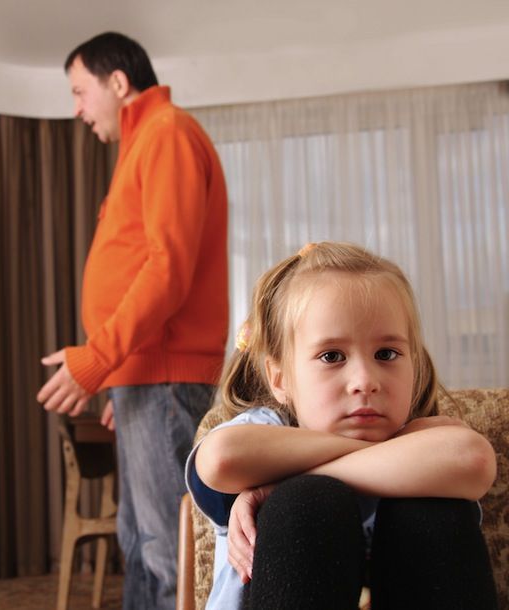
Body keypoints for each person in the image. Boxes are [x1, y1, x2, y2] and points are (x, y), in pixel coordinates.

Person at [187, 241, 499, 609]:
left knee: (434, 509)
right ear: (280, 379)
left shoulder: (426, 443)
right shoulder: (266, 431)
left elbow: (474, 460)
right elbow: (221, 459)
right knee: (309, 501)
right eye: (331, 356)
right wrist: (379, 454)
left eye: (387, 354)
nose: (365, 380)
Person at [36, 32, 229, 609]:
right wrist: (122, 383)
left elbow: (167, 269)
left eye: (79, 91)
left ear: (117, 83)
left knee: (171, 560)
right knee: (142, 550)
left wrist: (98, 361)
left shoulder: (166, 133)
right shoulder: (145, 142)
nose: (75, 109)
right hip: (144, 379)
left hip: (160, 376)